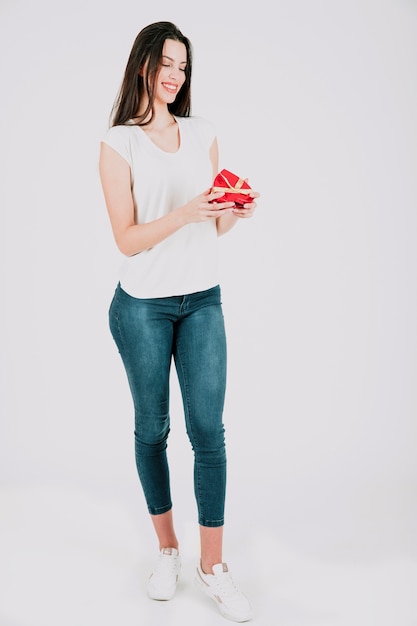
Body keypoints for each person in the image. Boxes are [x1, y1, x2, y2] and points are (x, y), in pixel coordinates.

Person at [99, 21, 259, 623]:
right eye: (167, 62)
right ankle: (166, 549)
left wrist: (232, 211)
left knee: (209, 432)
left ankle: (212, 565)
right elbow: (127, 238)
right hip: (141, 304)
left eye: (183, 67)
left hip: (202, 301)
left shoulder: (203, 133)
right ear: (143, 64)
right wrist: (187, 211)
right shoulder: (119, 143)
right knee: (152, 429)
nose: (176, 75)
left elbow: (214, 226)